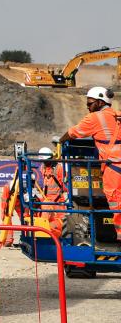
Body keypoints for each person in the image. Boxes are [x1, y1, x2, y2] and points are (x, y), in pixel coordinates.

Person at [64, 86, 121, 229]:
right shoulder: (118, 115)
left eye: (90, 103)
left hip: (114, 168)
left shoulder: (94, 118)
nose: (87, 107)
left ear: (100, 102)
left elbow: (72, 133)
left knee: (116, 202)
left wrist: (59, 142)